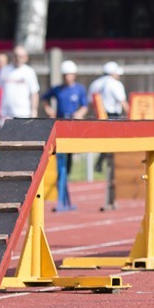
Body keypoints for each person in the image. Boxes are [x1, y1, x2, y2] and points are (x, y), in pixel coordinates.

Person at [42, 60, 88, 212]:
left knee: (68, 163)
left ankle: (64, 190)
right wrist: (49, 110)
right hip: (60, 126)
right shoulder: (58, 89)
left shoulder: (79, 89)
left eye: (70, 74)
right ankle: (62, 193)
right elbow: (44, 98)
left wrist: (79, 114)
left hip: (73, 127)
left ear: (74, 75)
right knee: (60, 159)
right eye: (65, 74)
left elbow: (85, 106)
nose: (68, 77)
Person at [88, 61, 130, 210]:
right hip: (113, 117)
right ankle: (102, 159)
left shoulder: (95, 84)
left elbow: (90, 103)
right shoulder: (115, 84)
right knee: (114, 156)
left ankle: (101, 158)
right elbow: (123, 102)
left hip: (99, 118)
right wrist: (133, 118)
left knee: (109, 153)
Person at [0, 45, 40, 120]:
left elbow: (34, 92)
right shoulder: (4, 70)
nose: (17, 58)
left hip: (23, 113)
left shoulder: (29, 72)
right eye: (16, 56)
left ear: (26, 57)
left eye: (20, 56)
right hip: (6, 113)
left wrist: (34, 110)